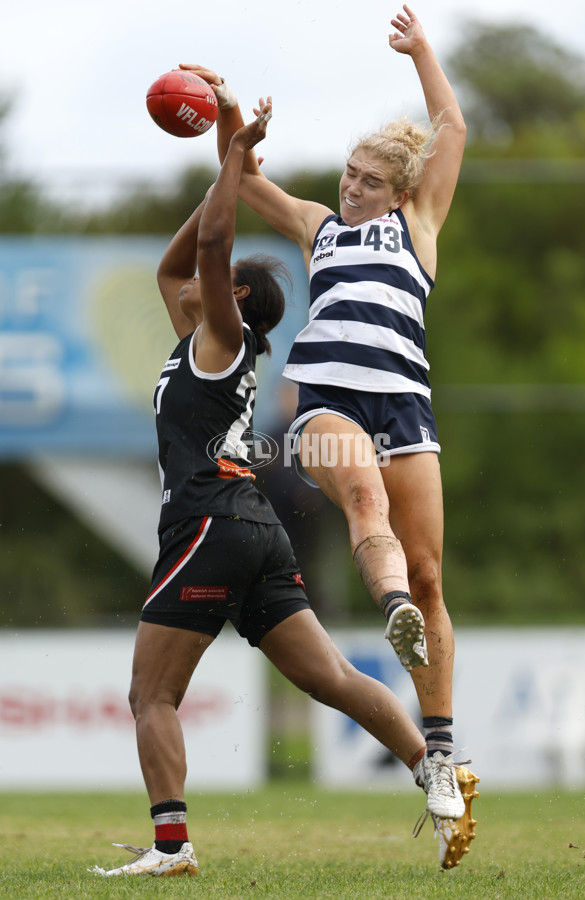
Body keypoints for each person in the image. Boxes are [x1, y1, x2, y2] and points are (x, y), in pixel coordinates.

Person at [90, 97, 468, 879]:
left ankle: (172, 848)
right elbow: (176, 265)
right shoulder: (193, 336)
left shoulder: (220, 337)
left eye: (217, 283)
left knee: (149, 695)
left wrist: (231, 164)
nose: (199, 282)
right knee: (331, 676)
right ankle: (433, 772)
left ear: (231, 304)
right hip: (256, 529)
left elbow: (216, 246)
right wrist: (221, 153)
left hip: (207, 523)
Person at [180, 5, 476, 828]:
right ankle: (392, 615)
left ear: (403, 191)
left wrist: (421, 52)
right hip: (328, 403)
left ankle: (442, 757)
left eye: (367, 180)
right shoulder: (320, 229)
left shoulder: (417, 227)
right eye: (347, 172)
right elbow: (240, 178)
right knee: (365, 502)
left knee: (430, 574)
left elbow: (450, 122)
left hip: (405, 405)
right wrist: (232, 115)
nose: (350, 187)